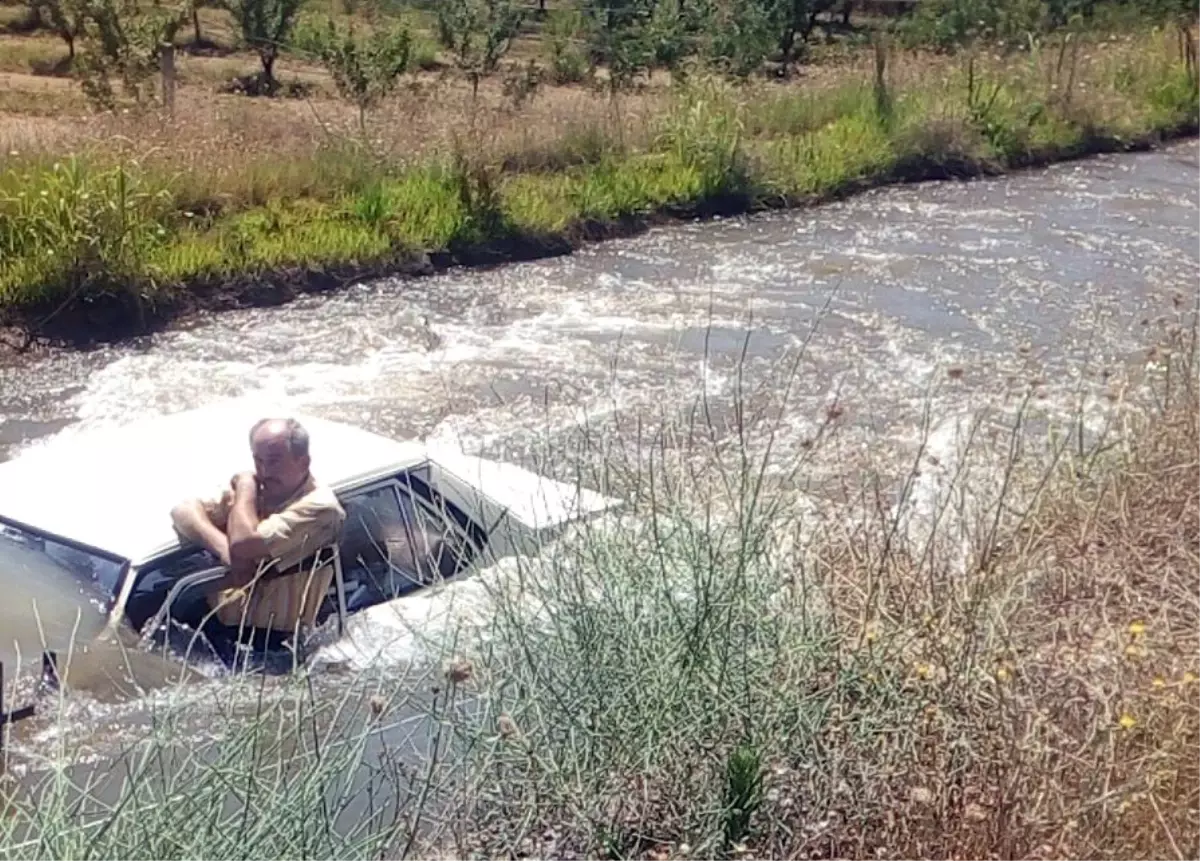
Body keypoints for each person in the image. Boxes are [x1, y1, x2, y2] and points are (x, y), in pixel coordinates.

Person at [169, 417, 346, 650]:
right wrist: (226, 551)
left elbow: (245, 543)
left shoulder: (321, 508)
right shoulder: (257, 496)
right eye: (257, 460)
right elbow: (183, 511)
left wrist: (245, 487)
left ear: (303, 462)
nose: (263, 472)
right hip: (217, 629)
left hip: (274, 645)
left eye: (273, 462)